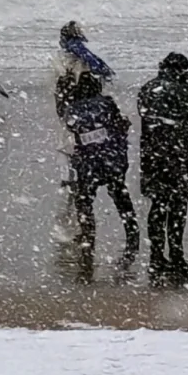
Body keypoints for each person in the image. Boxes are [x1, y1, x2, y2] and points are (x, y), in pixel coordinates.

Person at [62, 71, 139, 256]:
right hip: (111, 158)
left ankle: (88, 233)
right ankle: (132, 233)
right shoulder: (107, 103)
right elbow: (118, 124)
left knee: (84, 200)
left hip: (87, 161)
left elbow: (72, 128)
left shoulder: (72, 108)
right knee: (120, 195)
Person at [138, 52, 188, 281]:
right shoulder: (182, 91)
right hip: (177, 156)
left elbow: (145, 118)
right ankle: (176, 253)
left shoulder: (147, 89)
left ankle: (155, 255)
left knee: (157, 205)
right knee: (178, 206)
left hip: (152, 155)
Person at [54, 20, 115, 120]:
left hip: (69, 85)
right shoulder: (75, 45)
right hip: (80, 83)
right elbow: (92, 60)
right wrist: (105, 72)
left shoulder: (64, 50)